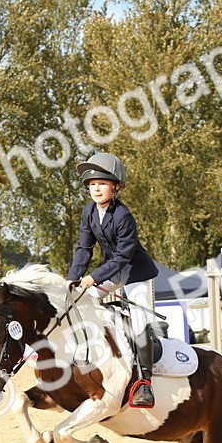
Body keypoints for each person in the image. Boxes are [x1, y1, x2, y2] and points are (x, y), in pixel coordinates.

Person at [66, 153, 159, 408]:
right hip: (115, 271)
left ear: (115, 186)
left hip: (137, 274)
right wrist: (72, 280)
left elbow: (123, 256)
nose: (95, 188)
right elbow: (84, 249)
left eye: (102, 183)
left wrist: (94, 276)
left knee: (140, 324)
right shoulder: (89, 211)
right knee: (83, 301)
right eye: (92, 184)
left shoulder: (123, 216)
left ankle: (144, 383)